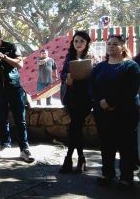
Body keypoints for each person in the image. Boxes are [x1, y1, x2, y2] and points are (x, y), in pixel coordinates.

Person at [90, 34, 140, 189]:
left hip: (125, 113)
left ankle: (126, 178)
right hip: (103, 113)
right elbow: (91, 87)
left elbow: (130, 90)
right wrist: (100, 102)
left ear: (123, 47)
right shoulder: (99, 67)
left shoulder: (131, 66)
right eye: (109, 43)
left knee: (126, 145)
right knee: (106, 145)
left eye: (115, 44)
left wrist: (110, 102)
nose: (111, 46)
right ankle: (107, 174)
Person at [0, 26, 35, 163]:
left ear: (0, 36)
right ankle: (5, 145)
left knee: (20, 119)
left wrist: (4, 57)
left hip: (14, 87)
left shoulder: (11, 47)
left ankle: (24, 149)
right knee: (1, 119)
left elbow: (20, 64)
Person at [58, 31, 93, 174]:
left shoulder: (91, 58)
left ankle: (69, 159)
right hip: (71, 97)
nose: (78, 44)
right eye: (76, 41)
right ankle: (81, 159)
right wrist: (66, 77)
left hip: (85, 98)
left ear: (87, 43)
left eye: (82, 41)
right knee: (75, 127)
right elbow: (62, 74)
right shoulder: (69, 57)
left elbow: (94, 78)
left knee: (74, 126)